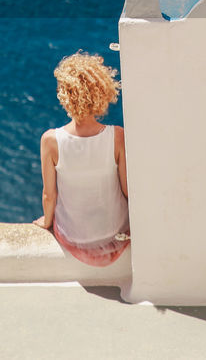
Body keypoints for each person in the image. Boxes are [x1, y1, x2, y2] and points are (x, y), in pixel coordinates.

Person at [32, 51, 130, 266]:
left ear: (64, 95)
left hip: (74, 239)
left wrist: (46, 221)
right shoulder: (117, 136)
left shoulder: (50, 140)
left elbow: (50, 195)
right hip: (114, 233)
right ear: (102, 91)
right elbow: (126, 190)